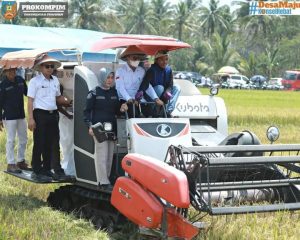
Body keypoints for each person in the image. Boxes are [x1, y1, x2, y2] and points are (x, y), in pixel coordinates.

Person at [83, 68, 127, 190]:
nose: (110, 80)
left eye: (112, 78)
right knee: (101, 155)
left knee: (109, 155)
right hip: (99, 129)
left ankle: (106, 179)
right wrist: (90, 126)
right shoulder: (94, 93)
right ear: (102, 77)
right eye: (108, 77)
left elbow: (117, 110)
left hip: (112, 128)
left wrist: (122, 108)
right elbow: (86, 112)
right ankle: (102, 181)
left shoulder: (114, 92)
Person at [27, 55, 70, 181]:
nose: (50, 68)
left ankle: (48, 169)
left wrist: (68, 101)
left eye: (52, 66)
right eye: (47, 66)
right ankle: (36, 170)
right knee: (39, 142)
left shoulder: (55, 80)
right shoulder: (35, 81)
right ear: (41, 67)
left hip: (53, 114)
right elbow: (30, 101)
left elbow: (58, 98)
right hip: (40, 114)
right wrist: (30, 118)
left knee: (53, 143)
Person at [115, 46, 163, 118]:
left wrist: (156, 98)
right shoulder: (120, 71)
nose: (137, 60)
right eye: (134, 58)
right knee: (135, 115)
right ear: (127, 57)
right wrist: (129, 99)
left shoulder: (141, 70)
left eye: (138, 58)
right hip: (125, 101)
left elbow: (147, 86)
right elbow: (120, 88)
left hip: (140, 100)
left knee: (152, 114)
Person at [0, 67, 28, 173]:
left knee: (24, 139)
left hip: (21, 115)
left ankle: (20, 161)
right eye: (9, 70)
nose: (12, 72)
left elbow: (28, 93)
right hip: (9, 116)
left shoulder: (20, 80)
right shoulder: (3, 85)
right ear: (5, 72)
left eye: (14, 70)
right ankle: (10, 163)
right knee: (11, 140)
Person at [138, 50, 181, 117]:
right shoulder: (152, 70)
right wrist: (140, 92)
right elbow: (145, 84)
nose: (165, 62)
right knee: (160, 88)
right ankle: (153, 110)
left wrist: (168, 91)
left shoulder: (169, 70)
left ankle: (168, 111)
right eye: (162, 60)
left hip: (164, 95)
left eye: (166, 59)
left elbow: (170, 84)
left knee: (177, 88)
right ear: (157, 60)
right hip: (152, 96)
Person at [58, 84, 75, 176]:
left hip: (66, 125)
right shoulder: (57, 99)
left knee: (68, 143)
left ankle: (67, 162)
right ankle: (66, 163)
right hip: (63, 124)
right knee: (65, 144)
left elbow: (67, 103)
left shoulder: (62, 98)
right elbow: (59, 107)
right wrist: (68, 115)